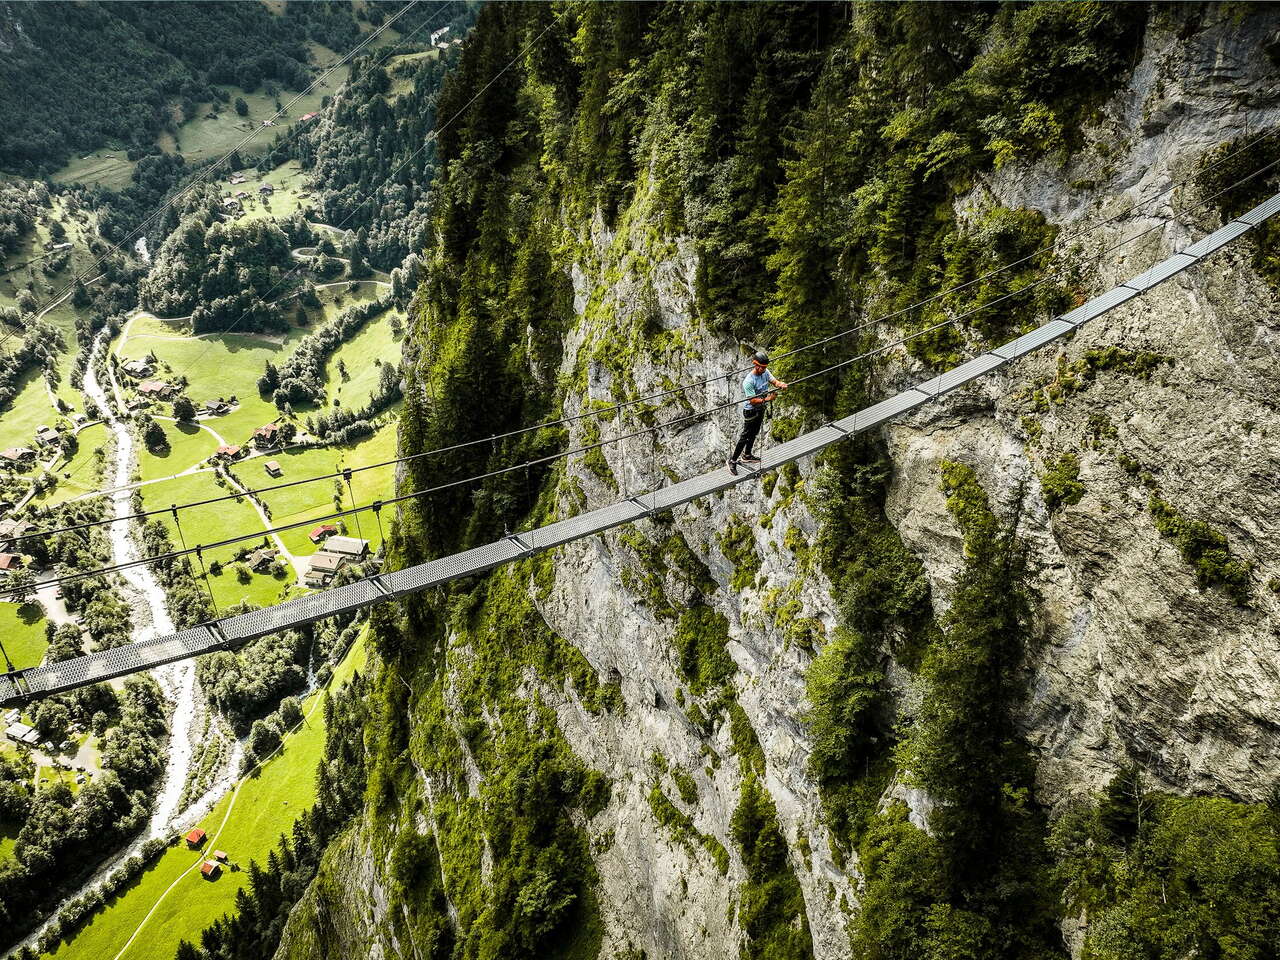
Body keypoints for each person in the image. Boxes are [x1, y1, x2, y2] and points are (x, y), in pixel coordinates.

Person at [728, 351, 787, 475]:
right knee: (745, 436)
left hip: (760, 409)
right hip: (750, 410)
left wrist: (780, 384)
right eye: (761, 367)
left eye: (765, 367)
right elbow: (753, 400)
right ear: (755, 365)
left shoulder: (765, 372)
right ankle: (732, 461)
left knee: (754, 433)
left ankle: (747, 455)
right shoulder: (748, 381)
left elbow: (774, 381)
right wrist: (768, 399)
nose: (763, 369)